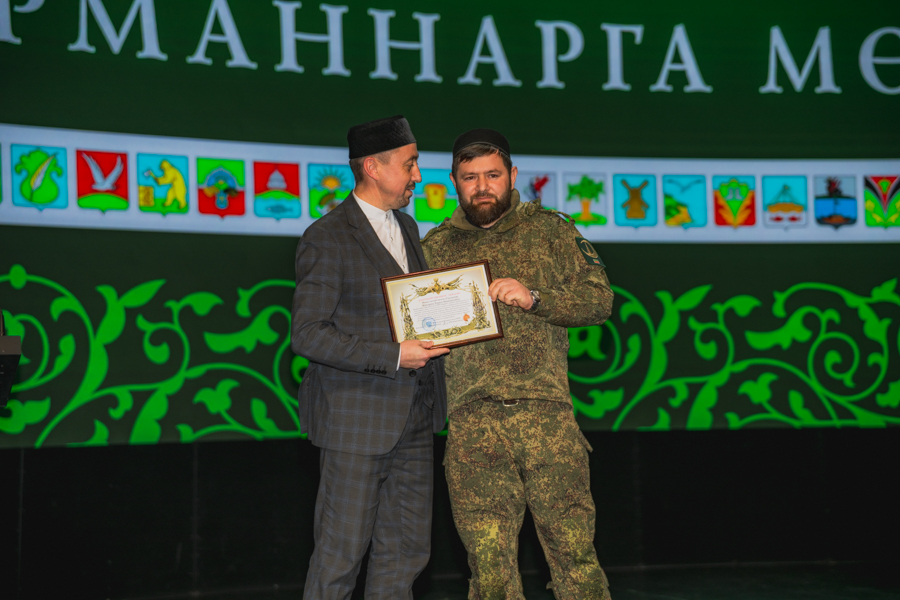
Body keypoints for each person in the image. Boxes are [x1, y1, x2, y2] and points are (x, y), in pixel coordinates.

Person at [421, 129, 614, 600]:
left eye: (492, 175)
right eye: (470, 177)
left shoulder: (552, 231)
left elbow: (600, 301)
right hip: (472, 425)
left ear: (512, 175)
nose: (482, 187)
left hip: (547, 418)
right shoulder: (434, 248)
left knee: (574, 557)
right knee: (489, 572)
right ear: (454, 181)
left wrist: (536, 298)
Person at [291, 115, 449, 599]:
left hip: (416, 419)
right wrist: (394, 355)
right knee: (339, 558)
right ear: (373, 168)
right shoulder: (327, 235)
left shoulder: (408, 226)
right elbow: (308, 334)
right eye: (409, 164)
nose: (418, 175)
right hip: (356, 424)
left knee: (406, 555)